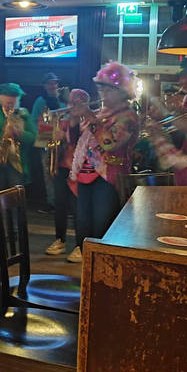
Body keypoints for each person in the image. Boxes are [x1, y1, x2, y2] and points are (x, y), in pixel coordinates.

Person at [68, 62, 139, 263]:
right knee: (83, 222)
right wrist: (73, 121)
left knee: (102, 224)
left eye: (108, 90)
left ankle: (101, 266)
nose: (103, 94)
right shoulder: (101, 114)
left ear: (123, 92)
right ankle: (87, 263)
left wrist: (88, 116)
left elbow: (110, 143)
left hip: (109, 178)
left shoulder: (128, 117)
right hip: (85, 175)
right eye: (101, 89)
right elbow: (75, 142)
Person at [43, 88, 89, 257]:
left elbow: (82, 143)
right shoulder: (62, 122)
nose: (73, 106)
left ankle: (80, 245)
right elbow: (50, 142)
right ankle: (60, 240)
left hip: (80, 170)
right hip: (62, 166)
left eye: (78, 103)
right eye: (71, 102)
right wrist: (55, 137)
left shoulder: (88, 124)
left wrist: (65, 135)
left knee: (78, 209)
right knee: (60, 205)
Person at [0, 83, 36, 190]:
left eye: (13, 102)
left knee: (16, 192)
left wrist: (19, 133)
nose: (11, 105)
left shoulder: (23, 114)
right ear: (1, 99)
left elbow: (33, 137)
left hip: (17, 162)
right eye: (8, 102)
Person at [31, 72, 64, 216]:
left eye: (55, 83)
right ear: (44, 85)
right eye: (50, 83)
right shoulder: (40, 101)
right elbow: (33, 120)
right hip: (45, 140)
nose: (53, 86)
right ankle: (52, 203)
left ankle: (64, 204)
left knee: (63, 173)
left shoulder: (63, 99)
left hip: (63, 141)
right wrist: (39, 137)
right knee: (48, 173)